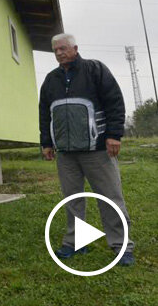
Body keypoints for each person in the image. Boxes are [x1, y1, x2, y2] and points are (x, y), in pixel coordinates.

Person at [39, 33, 134, 266]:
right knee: (73, 199)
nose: (60, 53)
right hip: (66, 153)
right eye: (56, 51)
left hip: (98, 149)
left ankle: (121, 246)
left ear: (75, 48)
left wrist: (113, 135)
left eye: (63, 48)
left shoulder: (95, 70)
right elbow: (44, 113)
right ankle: (75, 243)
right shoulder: (51, 79)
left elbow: (114, 101)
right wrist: (46, 142)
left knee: (110, 197)